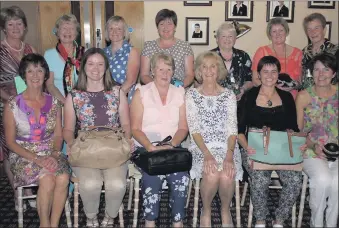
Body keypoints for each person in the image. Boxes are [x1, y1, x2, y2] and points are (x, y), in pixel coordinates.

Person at [63, 48, 132, 227]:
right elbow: (68, 129)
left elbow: (125, 125)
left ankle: (110, 216)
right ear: (83, 67)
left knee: (117, 184)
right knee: (91, 184)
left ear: (106, 67)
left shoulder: (117, 93)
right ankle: (91, 217)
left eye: (100, 64)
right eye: (91, 64)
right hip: (86, 150)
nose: (96, 68)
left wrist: (128, 139)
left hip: (114, 148)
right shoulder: (74, 96)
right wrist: (71, 144)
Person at [3, 53, 70, 227]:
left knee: (63, 177)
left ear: (45, 74)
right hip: (23, 155)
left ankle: (54, 225)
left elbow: (58, 135)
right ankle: (44, 224)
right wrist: (38, 159)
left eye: (39, 70)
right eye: (30, 71)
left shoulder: (54, 102)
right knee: (47, 178)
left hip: (50, 152)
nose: (35, 75)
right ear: (23, 75)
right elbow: (10, 143)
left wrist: (55, 155)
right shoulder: (12, 105)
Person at [238, 56, 302, 227]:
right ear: (258, 74)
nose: (269, 75)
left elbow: (294, 128)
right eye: (265, 71)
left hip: (280, 150)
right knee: (260, 179)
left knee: (295, 181)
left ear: (278, 73)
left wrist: (296, 138)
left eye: (274, 71)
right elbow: (238, 130)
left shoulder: (287, 98)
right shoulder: (249, 96)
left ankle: (279, 219)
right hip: (255, 148)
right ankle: (260, 219)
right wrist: (247, 148)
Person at [130, 53, 189, 227]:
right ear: (153, 71)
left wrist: (172, 145)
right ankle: (150, 222)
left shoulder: (180, 92)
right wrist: (150, 146)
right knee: (152, 176)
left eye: (169, 69)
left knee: (181, 177)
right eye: (160, 69)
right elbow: (135, 128)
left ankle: (177, 222)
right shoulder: (141, 92)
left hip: (172, 147)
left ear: (173, 72)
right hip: (147, 149)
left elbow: (183, 128)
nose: (165, 73)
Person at [186, 51, 242, 227]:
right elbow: (194, 129)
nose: (209, 70)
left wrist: (229, 155)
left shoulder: (229, 95)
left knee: (226, 174)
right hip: (201, 146)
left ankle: (225, 210)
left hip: (227, 147)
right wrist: (207, 154)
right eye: (204, 66)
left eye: (213, 66)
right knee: (211, 174)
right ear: (199, 71)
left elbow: (233, 129)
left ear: (218, 71)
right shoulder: (192, 95)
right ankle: (207, 209)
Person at [0, 5, 37, 210]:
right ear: (4, 28)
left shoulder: (30, 49)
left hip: (30, 108)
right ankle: (17, 192)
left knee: (28, 147)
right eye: (10, 24)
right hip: (6, 106)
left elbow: (38, 76)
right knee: (10, 149)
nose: (15, 27)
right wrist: (11, 102)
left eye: (19, 23)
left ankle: (29, 188)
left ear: (25, 26)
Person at [296, 53, 338, 228]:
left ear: (334, 73)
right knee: (322, 179)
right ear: (311, 72)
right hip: (310, 149)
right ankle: (316, 222)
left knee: (337, 183)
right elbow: (298, 131)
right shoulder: (304, 96)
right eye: (316, 70)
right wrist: (313, 145)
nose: (321, 74)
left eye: (326, 69)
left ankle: (331, 223)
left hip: (336, 150)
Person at [140, 9, 194, 88]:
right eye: (162, 24)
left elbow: (190, 75)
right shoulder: (148, 46)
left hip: (179, 90)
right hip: (154, 90)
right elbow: (144, 75)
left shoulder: (185, 46)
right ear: (157, 27)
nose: (165, 27)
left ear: (175, 26)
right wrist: (159, 87)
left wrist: (177, 88)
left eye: (169, 23)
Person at [252, 17, 302, 99]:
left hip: (292, 100)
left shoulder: (298, 53)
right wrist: (275, 89)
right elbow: (255, 81)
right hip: (267, 98)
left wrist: (292, 86)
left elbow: (300, 82)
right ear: (270, 34)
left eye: (281, 30)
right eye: (274, 31)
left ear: (286, 32)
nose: (278, 34)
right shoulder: (261, 52)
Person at [44, 14, 85, 104]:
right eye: (64, 28)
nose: (68, 32)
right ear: (57, 32)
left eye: (71, 29)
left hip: (83, 104)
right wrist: (67, 104)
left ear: (76, 33)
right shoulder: (49, 55)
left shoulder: (84, 53)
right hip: (59, 104)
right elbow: (50, 85)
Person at [210, 22, 252, 101]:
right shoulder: (209, 56)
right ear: (217, 39)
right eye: (223, 36)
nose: (227, 39)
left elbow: (250, 80)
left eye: (230, 36)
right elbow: (200, 81)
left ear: (235, 38)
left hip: (239, 103)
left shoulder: (243, 56)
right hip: (215, 102)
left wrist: (242, 89)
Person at [103, 15, 140, 103]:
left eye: (119, 29)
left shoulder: (132, 51)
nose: (115, 32)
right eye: (111, 28)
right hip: (104, 99)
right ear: (107, 31)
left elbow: (130, 81)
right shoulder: (101, 53)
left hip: (125, 99)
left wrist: (114, 100)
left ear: (124, 32)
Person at [300, 13, 338, 90]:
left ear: (324, 30)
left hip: (329, 97)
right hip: (306, 96)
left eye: (316, 28)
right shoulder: (303, 52)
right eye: (309, 29)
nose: (313, 32)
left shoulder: (336, 51)